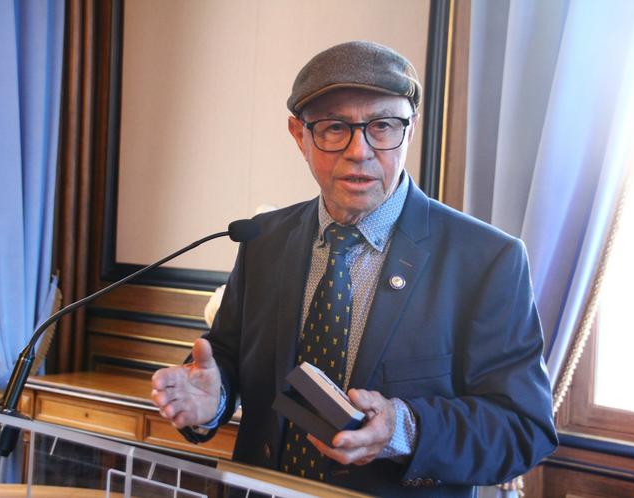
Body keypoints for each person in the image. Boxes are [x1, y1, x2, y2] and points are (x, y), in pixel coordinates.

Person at [151, 41, 557, 497]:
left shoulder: (486, 260)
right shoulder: (263, 239)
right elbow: (223, 359)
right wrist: (213, 400)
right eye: (334, 128)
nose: (359, 150)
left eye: (382, 126)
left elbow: (524, 429)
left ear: (410, 128)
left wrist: (404, 429)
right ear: (298, 135)